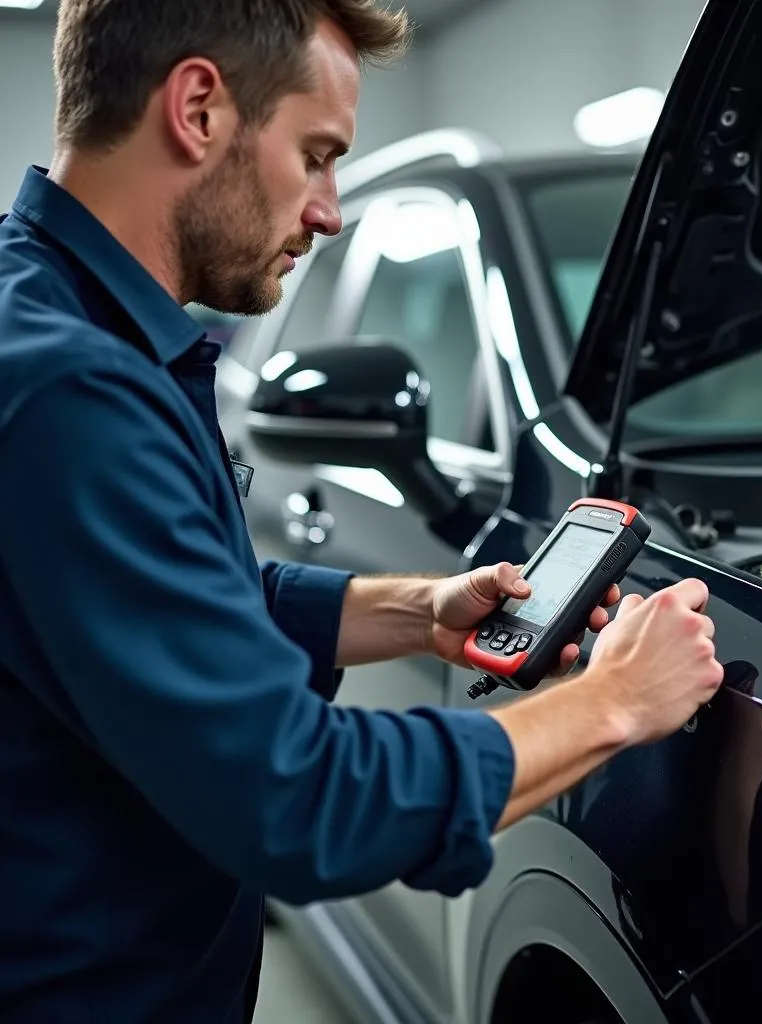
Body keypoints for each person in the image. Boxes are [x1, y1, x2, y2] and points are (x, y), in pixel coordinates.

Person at [0, 1, 725, 1021]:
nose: (329, 209)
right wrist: (612, 704)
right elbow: (297, 799)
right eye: (317, 154)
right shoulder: (68, 391)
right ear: (199, 108)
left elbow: (182, 604)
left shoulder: (59, 321)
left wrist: (416, 608)